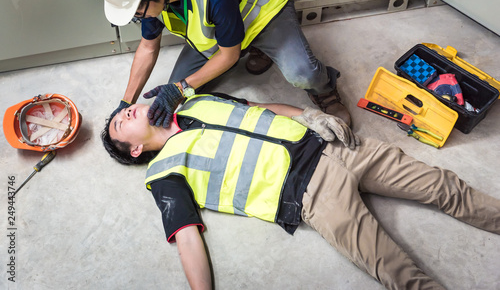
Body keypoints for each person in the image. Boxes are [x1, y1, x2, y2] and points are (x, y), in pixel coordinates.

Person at [101, 93, 500, 290]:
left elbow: (261, 108)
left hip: (335, 145)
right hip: (311, 193)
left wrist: (311, 115)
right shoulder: (164, 171)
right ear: (135, 149)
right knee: (396, 270)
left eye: (125, 109)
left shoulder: (196, 101)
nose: (127, 112)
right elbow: (186, 237)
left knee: (446, 186)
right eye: (122, 123)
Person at [93, 0, 350, 128]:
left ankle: (324, 89)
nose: (139, 18)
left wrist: (180, 87)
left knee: (302, 73)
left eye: (138, 13)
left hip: (262, 13)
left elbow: (229, 56)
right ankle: (253, 48)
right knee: (183, 97)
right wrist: (126, 102)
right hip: (224, 25)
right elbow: (148, 47)